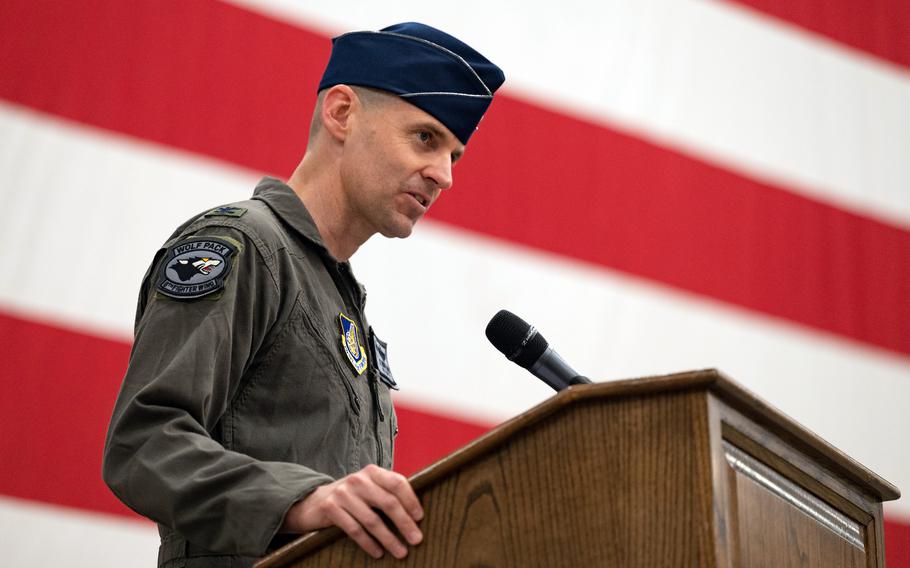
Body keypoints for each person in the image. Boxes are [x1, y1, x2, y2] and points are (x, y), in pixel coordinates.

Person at [102, 22, 504, 568]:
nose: (443, 176)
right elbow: (144, 444)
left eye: (454, 155)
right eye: (425, 138)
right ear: (341, 112)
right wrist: (301, 497)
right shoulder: (243, 245)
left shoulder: (340, 298)